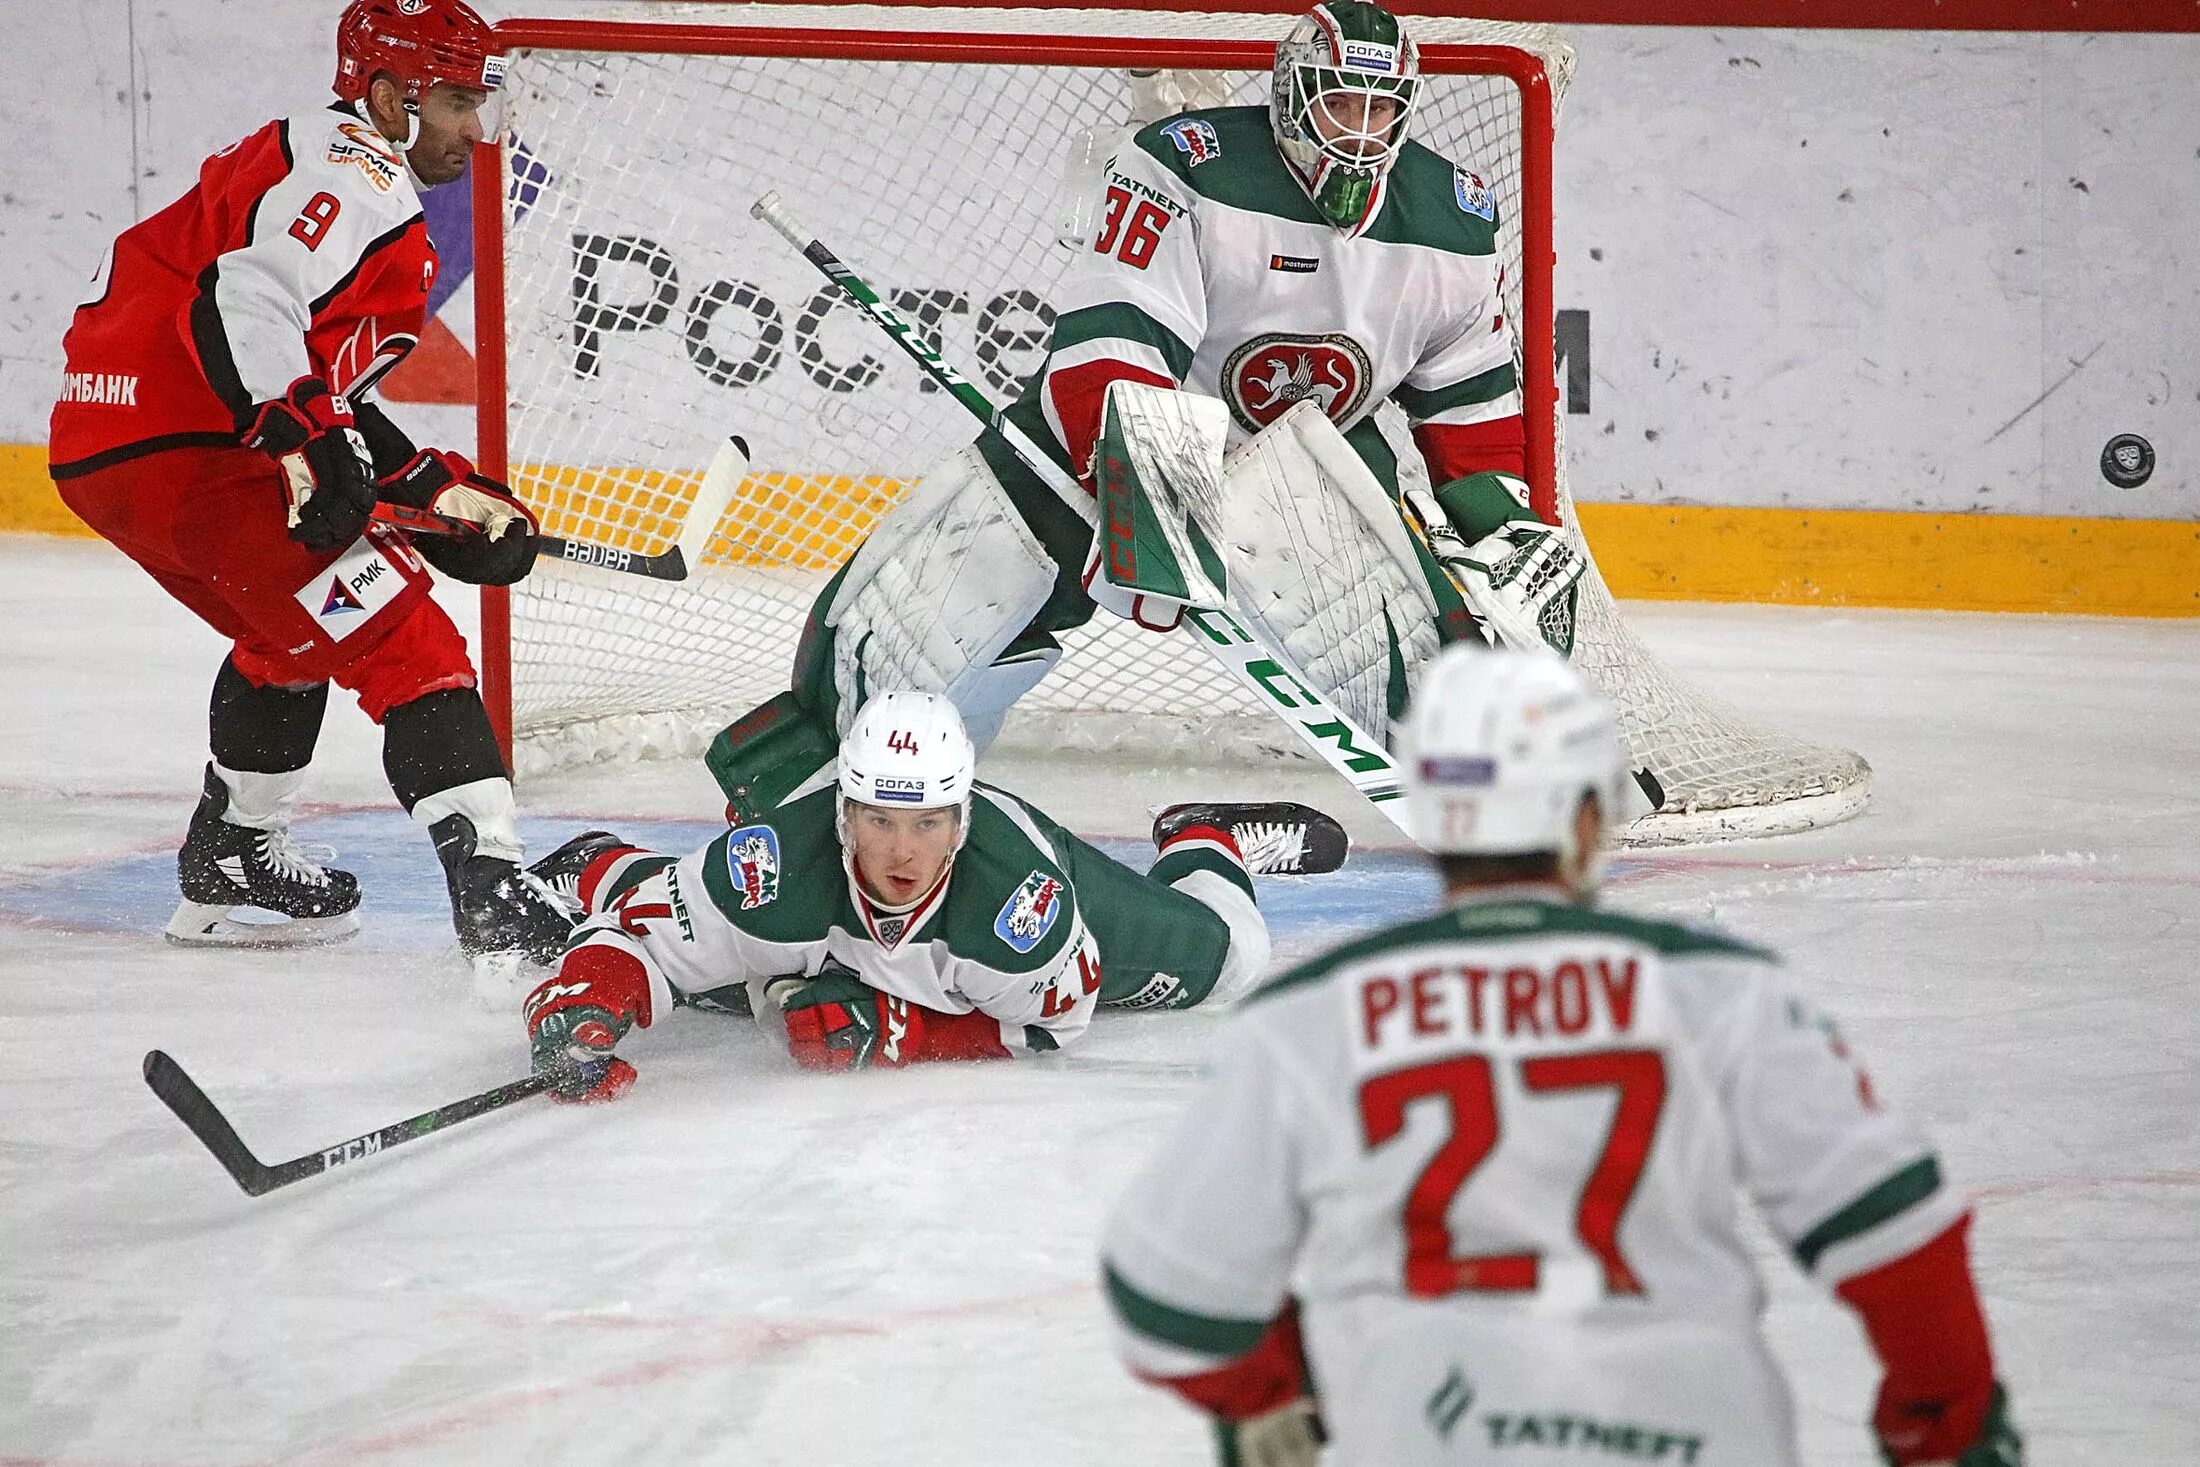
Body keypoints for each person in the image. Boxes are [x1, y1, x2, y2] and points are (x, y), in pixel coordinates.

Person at [1099, 647, 2021, 1467]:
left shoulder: (1307, 1017)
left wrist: (1274, 1391)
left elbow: (1171, 1298)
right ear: (1587, 820)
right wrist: (1941, 1425)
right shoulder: (1718, 993)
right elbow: (1896, 1232)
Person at [707, 0, 1583, 826]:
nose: (1359, 136)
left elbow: (1471, 408)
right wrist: (1154, 509)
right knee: (895, 628)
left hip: (1309, 461)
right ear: (1290, 97)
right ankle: (836, 797)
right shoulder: (1188, 163)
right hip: (1114, 438)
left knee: (1445, 667)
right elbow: (1110, 350)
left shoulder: (1452, 221)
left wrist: (1500, 531)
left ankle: (1514, 784)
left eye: (1379, 110)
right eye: (1338, 104)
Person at [48, 0, 571, 965]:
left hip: (115, 442)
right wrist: (301, 429)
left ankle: (233, 857)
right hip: (194, 445)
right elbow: (245, 297)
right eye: (456, 99)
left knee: (288, 622)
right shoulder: (355, 169)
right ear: (386, 96)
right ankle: (496, 894)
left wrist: (432, 489)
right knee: (399, 628)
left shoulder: (322, 160)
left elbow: (312, 376)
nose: (473, 126)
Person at [519, 690, 1348, 1099]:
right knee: (707, 972)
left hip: (1047, 891)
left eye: (927, 823)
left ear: (963, 819)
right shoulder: (775, 864)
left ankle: (1206, 837)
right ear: (842, 813)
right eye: (878, 819)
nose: (902, 851)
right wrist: (586, 998)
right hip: (827, 943)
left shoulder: (1018, 906)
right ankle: (603, 859)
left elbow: (1059, 1022)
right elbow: (651, 934)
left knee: (1232, 960)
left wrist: (903, 1032)